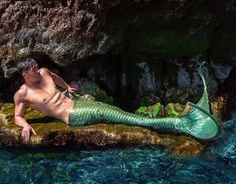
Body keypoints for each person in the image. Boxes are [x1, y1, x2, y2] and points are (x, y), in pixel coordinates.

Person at [14, 58, 220, 143]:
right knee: (128, 118)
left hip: (77, 103)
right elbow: (16, 116)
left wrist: (67, 87)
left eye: (36, 68)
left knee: (114, 109)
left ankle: (183, 123)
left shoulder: (43, 72)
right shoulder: (22, 94)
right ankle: (181, 124)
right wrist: (24, 125)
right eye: (32, 70)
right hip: (73, 116)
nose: (37, 71)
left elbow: (54, 77)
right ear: (25, 74)